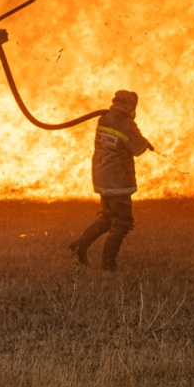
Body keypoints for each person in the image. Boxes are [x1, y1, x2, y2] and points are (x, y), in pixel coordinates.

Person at [69, 90, 154, 271]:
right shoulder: (125, 123)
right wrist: (143, 140)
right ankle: (108, 265)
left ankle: (79, 246)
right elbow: (138, 149)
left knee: (108, 218)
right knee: (122, 222)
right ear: (130, 106)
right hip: (118, 180)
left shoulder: (105, 118)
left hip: (103, 176)